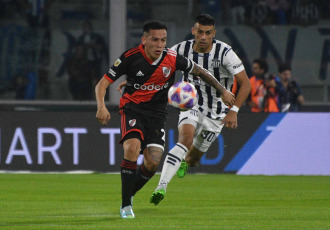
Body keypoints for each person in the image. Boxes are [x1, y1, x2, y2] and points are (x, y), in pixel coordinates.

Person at [95, 21, 235, 219]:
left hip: (157, 114)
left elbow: (201, 72)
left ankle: (130, 193)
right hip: (133, 109)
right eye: (154, 40)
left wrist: (222, 90)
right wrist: (101, 106)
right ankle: (126, 205)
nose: (159, 44)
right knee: (132, 149)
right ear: (144, 40)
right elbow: (102, 84)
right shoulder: (129, 57)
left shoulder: (172, 58)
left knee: (152, 163)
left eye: (163, 40)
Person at [149, 14, 251, 206]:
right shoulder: (180, 49)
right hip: (191, 103)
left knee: (194, 159)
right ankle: (161, 187)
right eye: (200, 32)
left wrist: (234, 110)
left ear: (214, 33)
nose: (203, 37)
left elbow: (245, 84)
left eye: (208, 33)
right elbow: (156, 66)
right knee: (185, 139)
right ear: (193, 30)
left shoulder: (225, 53)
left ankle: (185, 163)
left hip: (218, 113)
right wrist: (132, 81)